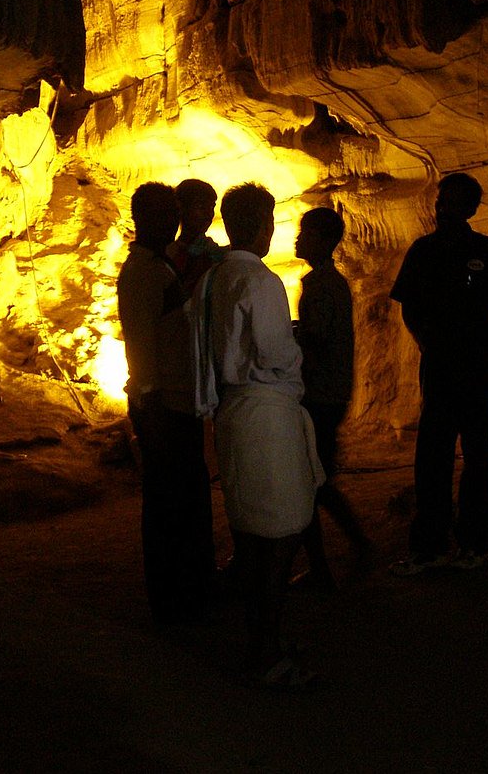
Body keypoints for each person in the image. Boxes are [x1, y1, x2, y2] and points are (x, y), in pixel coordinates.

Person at [192, 182, 323, 688]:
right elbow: (273, 352)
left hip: (232, 412)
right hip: (266, 416)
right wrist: (297, 352)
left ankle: (261, 642)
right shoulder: (260, 281)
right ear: (264, 225)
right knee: (281, 536)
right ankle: (266, 655)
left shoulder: (213, 279)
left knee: (251, 537)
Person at [389, 171, 488, 572]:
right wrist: (426, 340)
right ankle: (429, 546)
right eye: (440, 200)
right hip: (441, 363)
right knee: (433, 453)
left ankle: (475, 542)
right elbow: (409, 306)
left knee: (477, 454)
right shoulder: (423, 250)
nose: (441, 208)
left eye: (450, 201)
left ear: (470, 208)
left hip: (478, 362)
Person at [117, 182, 215, 627]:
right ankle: (174, 601)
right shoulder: (144, 271)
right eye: (163, 213)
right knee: (168, 505)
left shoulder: (158, 266)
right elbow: (141, 342)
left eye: (174, 212)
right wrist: (150, 400)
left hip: (175, 400)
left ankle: (190, 590)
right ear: (141, 218)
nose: (173, 221)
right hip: (163, 405)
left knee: (183, 499)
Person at [294, 206, 372, 589]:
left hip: (320, 393)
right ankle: (342, 554)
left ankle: (325, 566)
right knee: (315, 480)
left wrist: (289, 334)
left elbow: (318, 339)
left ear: (324, 240)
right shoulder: (327, 282)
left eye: (305, 232)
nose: (298, 239)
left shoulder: (323, 285)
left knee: (312, 482)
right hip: (329, 392)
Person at [168, 178, 224, 297]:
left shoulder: (216, 254)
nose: (209, 214)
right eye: (201, 206)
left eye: (211, 207)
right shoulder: (169, 254)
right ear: (182, 208)